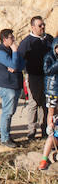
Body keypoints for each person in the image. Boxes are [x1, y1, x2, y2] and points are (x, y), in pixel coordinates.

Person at [18, 16, 53, 139]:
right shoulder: (27, 42)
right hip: (33, 76)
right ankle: (31, 131)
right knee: (33, 103)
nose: (43, 27)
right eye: (40, 25)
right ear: (33, 27)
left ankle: (45, 130)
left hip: (48, 77)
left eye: (43, 24)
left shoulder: (49, 38)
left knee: (46, 103)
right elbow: (19, 59)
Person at [0, 28, 25, 148]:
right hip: (7, 88)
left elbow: (21, 64)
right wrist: (15, 52)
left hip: (14, 86)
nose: (13, 39)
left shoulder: (10, 50)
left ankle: (7, 136)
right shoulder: (1, 52)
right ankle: (5, 138)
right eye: (11, 37)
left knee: (10, 113)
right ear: (5, 39)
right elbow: (13, 64)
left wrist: (15, 65)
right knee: (7, 113)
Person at [39, 40, 58, 170]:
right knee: (51, 112)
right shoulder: (49, 57)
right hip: (52, 89)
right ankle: (49, 127)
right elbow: (47, 70)